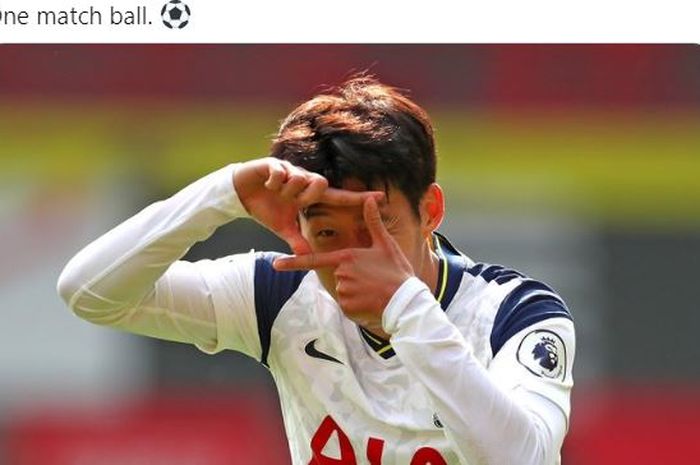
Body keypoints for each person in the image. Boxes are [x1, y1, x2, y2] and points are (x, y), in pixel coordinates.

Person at [57, 76, 575, 465]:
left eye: (377, 226)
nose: (353, 257)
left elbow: (523, 458)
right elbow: (89, 292)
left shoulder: (518, 315)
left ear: (431, 211)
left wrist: (404, 306)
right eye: (328, 233)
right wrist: (223, 194)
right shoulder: (281, 294)